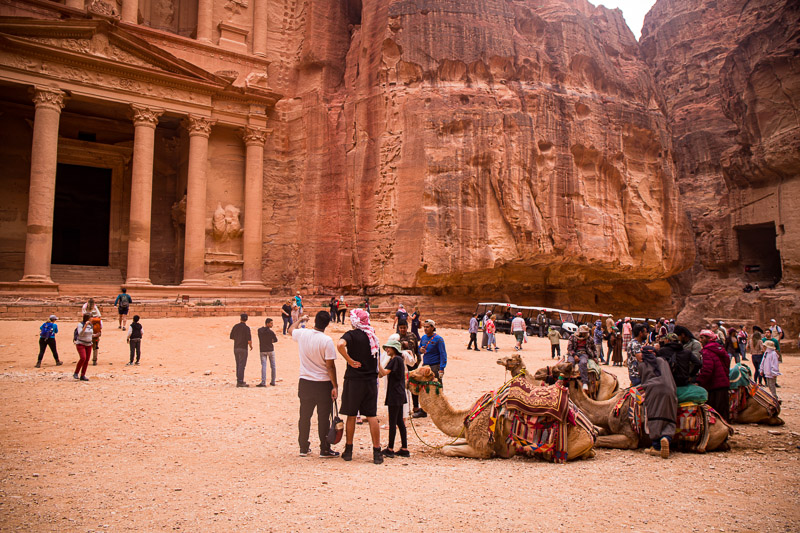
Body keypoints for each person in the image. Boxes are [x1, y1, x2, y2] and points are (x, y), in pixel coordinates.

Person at [290, 311, 339, 458]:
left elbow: (290, 330)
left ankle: (303, 447)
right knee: (324, 417)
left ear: (315, 321)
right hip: (323, 384)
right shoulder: (327, 341)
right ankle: (324, 448)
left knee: (304, 416)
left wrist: (300, 319)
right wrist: (335, 385)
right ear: (327, 323)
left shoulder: (303, 334)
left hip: (305, 382)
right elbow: (330, 366)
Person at [337, 309, 382, 464]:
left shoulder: (351, 335)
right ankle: (377, 452)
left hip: (354, 380)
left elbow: (340, 344)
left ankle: (348, 450)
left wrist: (349, 360)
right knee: (371, 415)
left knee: (351, 415)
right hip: (370, 380)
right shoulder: (372, 336)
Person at [637, 346, 677, 459]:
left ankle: (656, 446)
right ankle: (666, 437)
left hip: (653, 391)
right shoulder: (662, 361)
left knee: (654, 416)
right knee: (669, 416)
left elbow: (643, 381)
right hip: (669, 389)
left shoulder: (642, 365)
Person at [378, 338, 409, 458]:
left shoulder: (395, 359)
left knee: (393, 421)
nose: (386, 349)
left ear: (394, 349)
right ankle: (404, 448)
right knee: (400, 421)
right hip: (399, 394)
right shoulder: (398, 360)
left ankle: (390, 448)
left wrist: (376, 363)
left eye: (388, 348)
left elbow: (384, 373)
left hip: (394, 394)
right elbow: (382, 374)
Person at [413, 319, 448, 419]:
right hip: (426, 366)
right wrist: (420, 350)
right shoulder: (423, 337)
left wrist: (441, 368)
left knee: (437, 388)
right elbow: (419, 348)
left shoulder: (439, 339)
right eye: (424, 327)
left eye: (427, 327)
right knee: (424, 388)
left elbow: (443, 354)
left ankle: (441, 410)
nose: (425, 329)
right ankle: (424, 410)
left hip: (435, 366)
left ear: (433, 327)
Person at [696, 330, 730, 420]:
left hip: (714, 385)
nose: (700, 340)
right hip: (723, 383)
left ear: (708, 339)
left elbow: (707, 370)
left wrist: (699, 381)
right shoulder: (720, 349)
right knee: (723, 412)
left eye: (702, 338)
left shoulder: (707, 352)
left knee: (715, 413)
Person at [567, 324, 597, 391]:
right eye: (583, 333)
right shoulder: (572, 337)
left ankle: (585, 382)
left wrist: (595, 357)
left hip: (584, 353)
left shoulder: (589, 338)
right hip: (573, 353)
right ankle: (567, 380)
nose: (584, 334)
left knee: (583, 363)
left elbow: (594, 348)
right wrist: (574, 355)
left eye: (585, 333)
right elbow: (569, 348)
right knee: (570, 363)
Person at [229, 313, 252, 387]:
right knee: (242, 365)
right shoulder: (247, 328)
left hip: (236, 347)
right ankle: (240, 381)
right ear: (247, 319)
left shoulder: (235, 326)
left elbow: (231, 337)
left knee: (238, 364)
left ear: (240, 318)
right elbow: (249, 340)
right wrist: (251, 346)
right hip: (243, 348)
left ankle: (239, 380)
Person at [257, 318, 278, 387]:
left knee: (264, 366)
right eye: (271, 323)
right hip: (270, 349)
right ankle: (273, 381)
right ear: (268, 323)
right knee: (273, 366)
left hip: (263, 349)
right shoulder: (271, 332)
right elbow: (275, 340)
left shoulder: (260, 330)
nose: (272, 325)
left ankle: (263, 382)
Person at [73, 313, 93, 381]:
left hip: (89, 344)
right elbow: (80, 333)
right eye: (91, 318)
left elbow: (90, 334)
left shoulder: (91, 325)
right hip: (81, 343)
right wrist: (85, 325)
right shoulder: (80, 325)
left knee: (86, 360)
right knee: (83, 358)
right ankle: (76, 372)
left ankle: (83, 375)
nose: (92, 319)